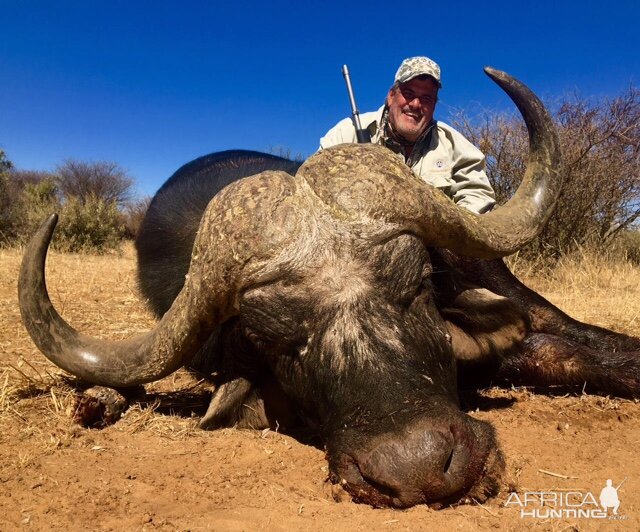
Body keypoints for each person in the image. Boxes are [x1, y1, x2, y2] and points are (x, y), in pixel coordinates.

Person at [319, 56, 496, 214]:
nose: (416, 104)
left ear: (434, 105)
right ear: (390, 96)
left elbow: (478, 196)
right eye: (408, 94)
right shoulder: (346, 134)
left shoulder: (455, 146)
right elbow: (315, 188)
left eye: (426, 98)